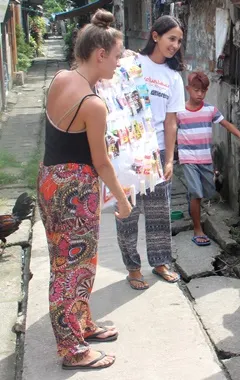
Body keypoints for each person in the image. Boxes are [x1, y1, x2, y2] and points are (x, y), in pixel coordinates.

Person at [37, 9, 132, 370]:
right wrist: (122, 200)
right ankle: (72, 349)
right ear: (100, 54)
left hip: (50, 180)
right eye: (117, 56)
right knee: (70, 268)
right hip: (73, 191)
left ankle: (82, 324)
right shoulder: (93, 104)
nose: (118, 63)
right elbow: (101, 161)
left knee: (77, 263)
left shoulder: (62, 77)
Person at [115, 15, 185, 289]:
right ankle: (133, 267)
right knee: (127, 213)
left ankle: (159, 263)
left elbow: (171, 121)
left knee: (159, 214)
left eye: (179, 41)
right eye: (171, 38)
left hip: (155, 155)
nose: (175, 45)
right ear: (155, 36)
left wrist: (169, 159)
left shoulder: (173, 77)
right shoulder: (132, 65)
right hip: (128, 154)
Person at [177, 71, 240, 246]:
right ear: (188, 89)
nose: (200, 94)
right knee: (197, 193)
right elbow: (169, 130)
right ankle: (198, 228)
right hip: (188, 158)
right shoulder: (179, 111)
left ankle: (192, 206)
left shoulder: (210, 110)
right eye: (196, 90)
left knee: (207, 192)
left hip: (205, 159)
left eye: (203, 91)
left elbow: (226, 124)